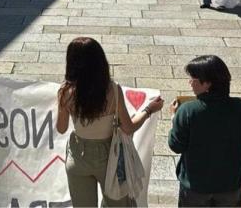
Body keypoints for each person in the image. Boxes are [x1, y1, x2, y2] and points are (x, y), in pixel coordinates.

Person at [55, 37, 164, 207]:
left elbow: (61, 129)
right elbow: (128, 127)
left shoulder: (65, 92)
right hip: (109, 156)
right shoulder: (112, 90)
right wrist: (148, 109)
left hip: (78, 155)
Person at [168, 55, 241, 207]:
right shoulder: (240, 108)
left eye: (193, 78)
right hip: (230, 188)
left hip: (195, 188)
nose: (190, 82)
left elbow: (176, 145)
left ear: (207, 83)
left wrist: (174, 118)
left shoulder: (187, 111)